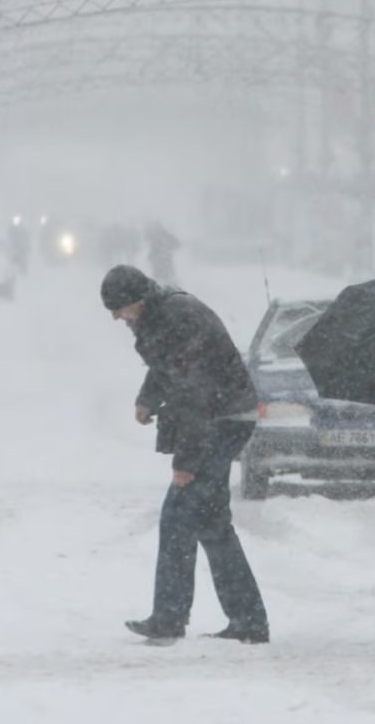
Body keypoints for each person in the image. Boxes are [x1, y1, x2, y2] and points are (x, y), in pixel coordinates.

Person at [102, 264, 270, 644]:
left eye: (119, 308)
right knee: (211, 523)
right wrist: (147, 400)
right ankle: (248, 621)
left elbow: (196, 393)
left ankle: (169, 619)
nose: (116, 317)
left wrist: (185, 464)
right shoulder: (161, 318)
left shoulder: (179, 318)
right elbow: (167, 368)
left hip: (222, 419)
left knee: (178, 514)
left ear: (138, 300)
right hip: (221, 415)